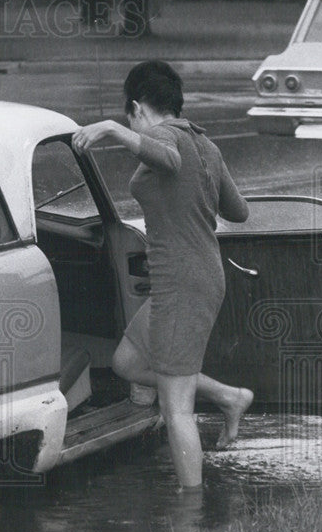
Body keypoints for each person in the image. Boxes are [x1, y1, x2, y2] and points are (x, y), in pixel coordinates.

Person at [71, 60, 253, 490]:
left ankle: (190, 514)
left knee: (177, 411)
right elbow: (239, 211)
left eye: (127, 116)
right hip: (199, 275)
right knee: (127, 361)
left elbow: (166, 158)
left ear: (136, 107)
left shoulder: (162, 137)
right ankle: (230, 397)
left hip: (181, 285)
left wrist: (115, 132)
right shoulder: (206, 145)